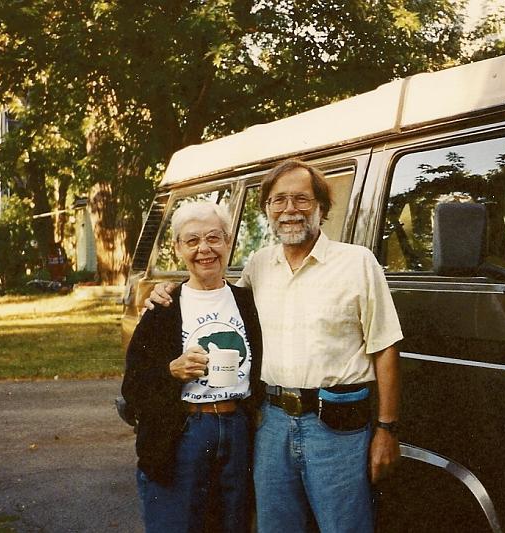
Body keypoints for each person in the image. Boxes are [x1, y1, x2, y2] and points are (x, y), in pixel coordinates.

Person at [149, 159, 403, 533]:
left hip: (336, 427)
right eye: (278, 200)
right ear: (267, 209)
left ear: (321, 207)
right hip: (272, 423)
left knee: (345, 527)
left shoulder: (357, 263)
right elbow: (221, 296)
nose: (290, 210)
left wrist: (387, 430)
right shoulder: (259, 265)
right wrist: (168, 289)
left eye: (301, 199)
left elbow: (386, 348)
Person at [123, 201, 262, 533]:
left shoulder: (248, 301)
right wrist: (172, 370)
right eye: (192, 240)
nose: (205, 249)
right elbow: (133, 387)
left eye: (214, 238)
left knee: (233, 525)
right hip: (183, 431)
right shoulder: (164, 308)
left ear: (229, 242)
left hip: (237, 429)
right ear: (178, 248)